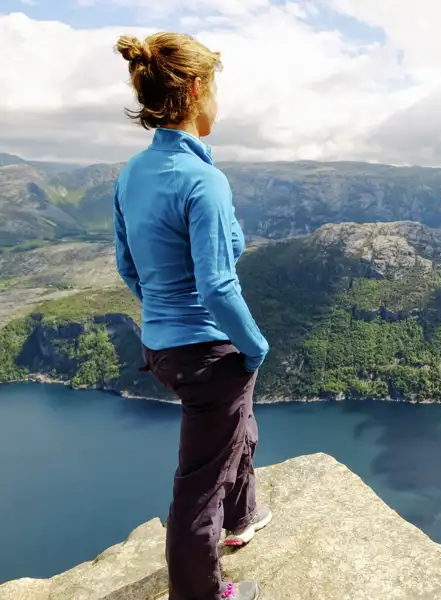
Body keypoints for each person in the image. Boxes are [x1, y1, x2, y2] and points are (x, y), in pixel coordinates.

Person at [112, 32, 271, 600]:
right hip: (207, 352)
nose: (219, 105)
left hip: (161, 346)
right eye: (216, 90)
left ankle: (243, 515)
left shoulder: (131, 174)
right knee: (197, 486)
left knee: (237, 424)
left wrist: (160, 314)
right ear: (198, 89)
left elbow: (127, 265)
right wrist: (254, 347)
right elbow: (218, 283)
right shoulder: (205, 180)